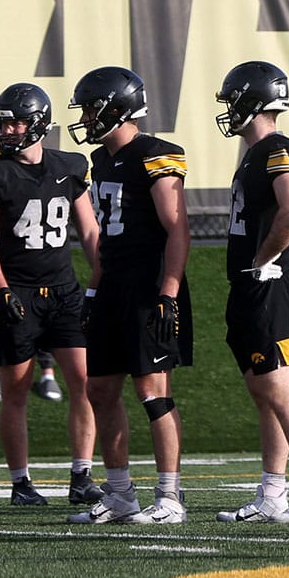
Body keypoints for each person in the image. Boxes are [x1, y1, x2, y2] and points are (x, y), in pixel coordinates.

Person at [65, 66, 193, 525]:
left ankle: (170, 496)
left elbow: (178, 228)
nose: (85, 117)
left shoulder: (157, 153)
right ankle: (120, 495)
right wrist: (94, 290)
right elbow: (104, 237)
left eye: (90, 108)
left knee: (152, 390)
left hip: (148, 284)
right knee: (98, 388)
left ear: (116, 108)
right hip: (114, 282)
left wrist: (169, 291)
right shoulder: (100, 161)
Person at [212, 61, 289, 524]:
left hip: (272, 282)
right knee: (263, 390)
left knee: (280, 387)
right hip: (252, 283)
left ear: (252, 101)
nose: (229, 109)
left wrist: (262, 261)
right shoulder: (254, 153)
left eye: (233, 99)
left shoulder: (278, 148)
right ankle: (272, 493)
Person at [0, 82, 103, 506]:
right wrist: (1, 290)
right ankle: (21, 483)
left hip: (63, 291)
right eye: (3, 122)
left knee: (85, 381)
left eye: (15, 121)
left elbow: (89, 229)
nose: (7, 130)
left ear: (38, 122)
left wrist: (100, 277)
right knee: (17, 391)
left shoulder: (70, 166)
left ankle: (82, 475)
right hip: (16, 291)